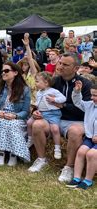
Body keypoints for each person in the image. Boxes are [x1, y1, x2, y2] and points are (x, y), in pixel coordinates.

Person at [28, 53, 92, 182]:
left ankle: (69, 167)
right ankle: (41, 159)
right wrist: (37, 111)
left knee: (75, 131)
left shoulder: (85, 84)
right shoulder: (55, 81)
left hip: (76, 121)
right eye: (60, 63)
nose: (60, 66)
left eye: (65, 64)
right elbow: (42, 97)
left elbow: (86, 109)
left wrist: (63, 105)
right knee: (37, 124)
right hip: (54, 118)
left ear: (75, 68)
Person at [0, 62, 31, 166]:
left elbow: (26, 111)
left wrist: (15, 116)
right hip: (0, 116)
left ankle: (13, 154)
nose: (3, 73)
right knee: (0, 122)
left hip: (17, 118)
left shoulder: (25, 89)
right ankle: (1, 152)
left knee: (12, 124)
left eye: (6, 71)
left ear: (15, 73)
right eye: (2, 71)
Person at [26, 72, 66, 159]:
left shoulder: (53, 91)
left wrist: (54, 99)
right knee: (29, 123)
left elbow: (63, 98)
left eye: (37, 82)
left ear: (46, 82)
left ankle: (57, 148)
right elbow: (39, 102)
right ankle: (30, 139)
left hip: (53, 114)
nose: (35, 84)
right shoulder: (39, 92)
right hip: (42, 113)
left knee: (55, 129)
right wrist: (35, 107)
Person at [67, 81, 97, 190]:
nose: (93, 98)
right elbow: (77, 102)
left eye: (95, 95)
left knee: (92, 154)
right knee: (81, 152)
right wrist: (77, 91)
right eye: (92, 95)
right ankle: (76, 178)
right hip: (90, 137)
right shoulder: (89, 105)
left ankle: (88, 180)